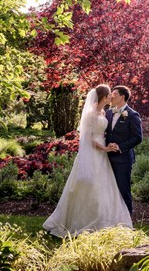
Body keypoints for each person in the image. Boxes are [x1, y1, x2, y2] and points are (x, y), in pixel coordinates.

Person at [42, 85, 132, 237]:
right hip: (93, 152)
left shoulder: (104, 112)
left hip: (103, 154)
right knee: (88, 185)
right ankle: (82, 221)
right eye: (110, 94)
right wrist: (104, 149)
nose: (111, 96)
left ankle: (105, 221)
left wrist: (108, 147)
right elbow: (87, 139)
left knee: (105, 187)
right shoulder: (91, 114)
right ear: (103, 97)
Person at [105, 85, 143, 214]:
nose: (111, 96)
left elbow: (138, 137)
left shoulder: (132, 115)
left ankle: (127, 222)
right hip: (106, 158)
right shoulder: (108, 113)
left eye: (114, 93)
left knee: (123, 189)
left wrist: (120, 147)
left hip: (123, 160)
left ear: (122, 96)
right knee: (108, 190)